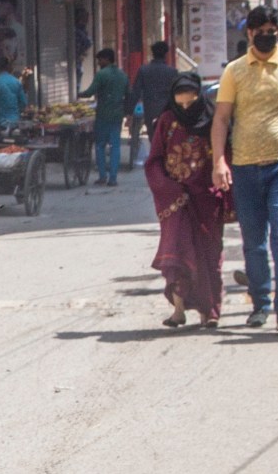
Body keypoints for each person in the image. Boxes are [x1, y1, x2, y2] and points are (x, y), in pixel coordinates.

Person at [211, 5, 278, 331]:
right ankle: (260, 304)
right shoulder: (234, 71)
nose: (266, 35)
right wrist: (219, 160)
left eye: (272, 29)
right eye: (260, 31)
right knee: (253, 241)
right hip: (244, 167)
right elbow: (222, 118)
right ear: (249, 33)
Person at [146, 80, 228, 329]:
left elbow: (224, 153)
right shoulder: (167, 121)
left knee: (210, 256)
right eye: (180, 97)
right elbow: (155, 160)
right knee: (177, 255)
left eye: (190, 97)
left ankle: (210, 311)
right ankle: (178, 310)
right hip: (176, 200)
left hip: (206, 197)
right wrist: (168, 189)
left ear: (198, 94)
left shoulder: (212, 119)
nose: (185, 103)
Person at [128, 40, 181, 168]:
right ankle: (165, 161)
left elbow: (135, 92)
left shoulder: (144, 70)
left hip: (150, 110)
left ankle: (157, 161)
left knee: (153, 137)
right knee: (167, 137)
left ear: (152, 54)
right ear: (166, 55)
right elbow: (177, 93)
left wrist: (129, 111)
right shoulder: (172, 72)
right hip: (167, 110)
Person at [88, 48, 130, 186]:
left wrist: (79, 94)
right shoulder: (123, 75)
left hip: (103, 115)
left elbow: (91, 91)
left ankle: (102, 176)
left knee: (100, 146)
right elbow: (129, 95)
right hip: (118, 115)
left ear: (106, 59)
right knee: (115, 146)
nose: (99, 63)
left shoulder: (101, 74)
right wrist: (128, 113)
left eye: (100, 60)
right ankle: (113, 178)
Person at [0, 54, 29, 136]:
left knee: (1, 148)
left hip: (1, 125)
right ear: (7, 66)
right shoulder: (16, 82)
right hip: (16, 123)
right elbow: (24, 103)